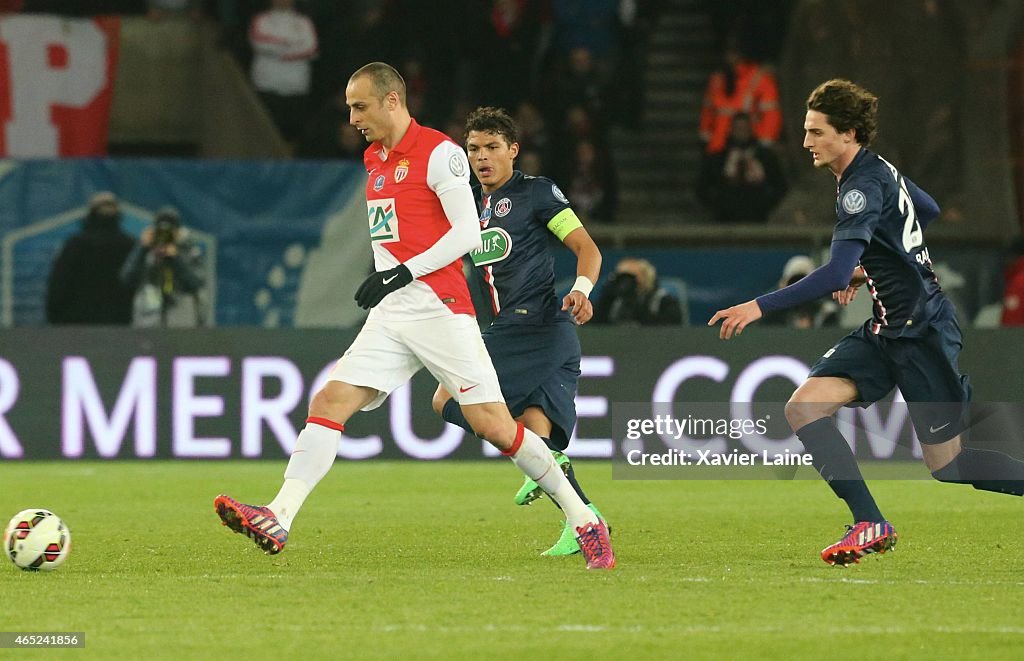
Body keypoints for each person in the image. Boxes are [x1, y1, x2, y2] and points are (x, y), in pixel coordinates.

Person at [214, 63, 614, 570]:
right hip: (393, 312)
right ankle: (279, 514)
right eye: (350, 108)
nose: (353, 117)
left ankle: (584, 519)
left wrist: (401, 273)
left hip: (440, 308)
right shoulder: (373, 159)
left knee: (493, 425)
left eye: (360, 106)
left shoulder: (442, 155)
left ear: (392, 102)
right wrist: (392, 282)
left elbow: (468, 233)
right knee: (330, 399)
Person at [709, 79, 1024, 566]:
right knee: (804, 408)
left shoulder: (859, 187)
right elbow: (928, 210)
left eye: (816, 132)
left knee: (953, 467)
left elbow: (834, 272)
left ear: (849, 134)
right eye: (806, 130)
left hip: (921, 334)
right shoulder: (877, 170)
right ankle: (868, 521)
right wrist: (872, 265)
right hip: (886, 328)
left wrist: (759, 306)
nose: (806, 142)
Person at [430, 106, 607, 557]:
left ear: (513, 150)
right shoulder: (469, 204)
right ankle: (582, 519)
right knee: (532, 427)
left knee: (446, 398)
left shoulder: (537, 193)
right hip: (511, 328)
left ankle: (551, 469)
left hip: (536, 326)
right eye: (473, 149)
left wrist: (582, 288)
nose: (482, 157)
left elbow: (586, 248)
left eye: (492, 147)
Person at [45, 191, 136, 326]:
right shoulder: (129, 245)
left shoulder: (75, 244)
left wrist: (55, 317)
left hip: (77, 325)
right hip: (116, 325)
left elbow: (58, 286)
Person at [120, 207, 206, 328]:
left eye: (170, 231)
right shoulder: (145, 250)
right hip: (148, 319)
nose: (165, 235)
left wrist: (175, 258)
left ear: (178, 231)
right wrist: (142, 248)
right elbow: (127, 278)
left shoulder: (190, 250)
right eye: (161, 231)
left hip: (181, 321)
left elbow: (195, 284)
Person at [248, 0, 318, 146]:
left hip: (296, 86)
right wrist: (292, 45)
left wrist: (280, 50)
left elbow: (310, 47)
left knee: (292, 135)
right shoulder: (261, 20)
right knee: (264, 135)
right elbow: (260, 42)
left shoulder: (303, 22)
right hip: (267, 85)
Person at [697, 112, 787, 223]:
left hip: (757, 218)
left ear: (750, 129)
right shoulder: (718, 158)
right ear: (731, 129)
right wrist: (718, 204)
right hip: (725, 219)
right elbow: (702, 187)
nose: (741, 132)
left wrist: (765, 203)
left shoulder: (765, 157)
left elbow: (780, 185)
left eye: (744, 128)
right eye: (738, 128)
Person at [593, 257, 683, 325]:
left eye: (630, 278)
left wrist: (637, 307)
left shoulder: (662, 301)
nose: (626, 282)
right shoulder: (613, 301)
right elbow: (593, 325)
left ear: (646, 277)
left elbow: (672, 328)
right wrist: (606, 297)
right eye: (622, 277)